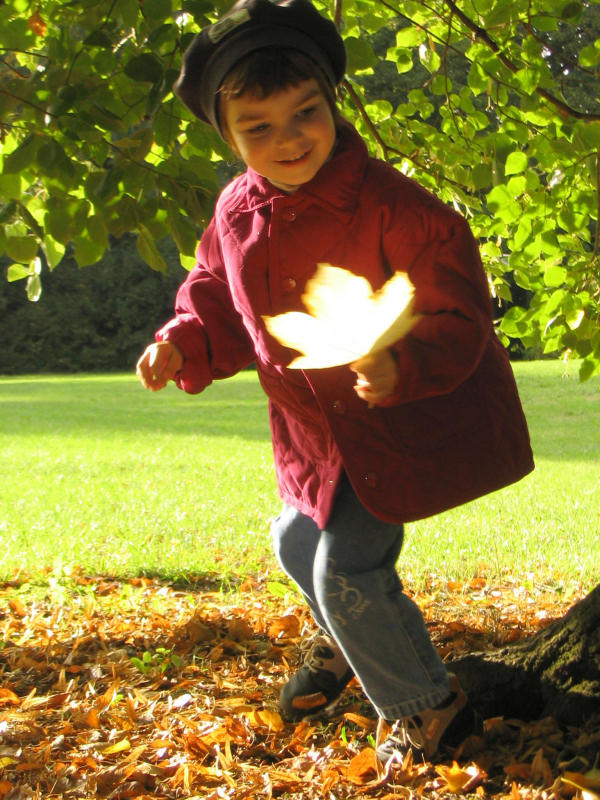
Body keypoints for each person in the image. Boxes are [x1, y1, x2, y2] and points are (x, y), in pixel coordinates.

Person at [136, 0, 534, 767]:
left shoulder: (396, 208)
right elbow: (213, 291)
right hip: (316, 433)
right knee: (293, 541)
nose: (287, 139)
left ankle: (429, 709)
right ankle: (348, 643)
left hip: (398, 424)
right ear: (228, 135)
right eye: (259, 126)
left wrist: (401, 362)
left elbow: (459, 314)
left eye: (305, 113)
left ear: (331, 101)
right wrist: (181, 342)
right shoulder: (235, 210)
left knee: (346, 568)